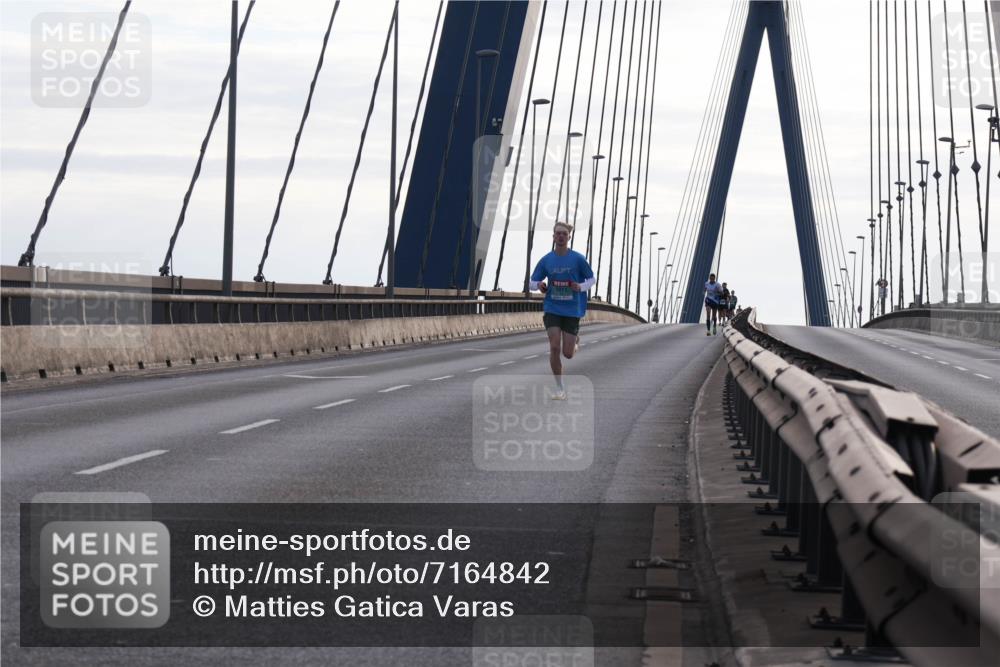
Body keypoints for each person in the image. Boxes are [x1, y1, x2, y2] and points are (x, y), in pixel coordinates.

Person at [530, 222, 596, 399]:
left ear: (569, 237)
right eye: (557, 234)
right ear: (553, 237)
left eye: (564, 234)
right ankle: (559, 388)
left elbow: (592, 279)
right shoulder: (546, 260)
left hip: (572, 309)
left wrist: (580, 287)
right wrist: (539, 285)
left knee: (567, 354)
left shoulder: (578, 259)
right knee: (554, 347)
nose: (560, 237)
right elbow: (531, 281)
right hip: (552, 307)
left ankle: (575, 342)